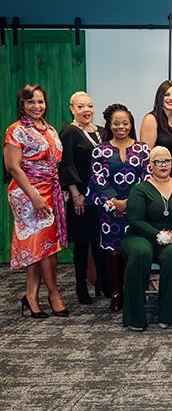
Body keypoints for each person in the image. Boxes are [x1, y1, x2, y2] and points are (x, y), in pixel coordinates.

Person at [5, 84, 68, 318]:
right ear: (22, 104)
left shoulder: (50, 129)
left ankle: (31, 295)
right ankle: (54, 294)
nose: (36, 106)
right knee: (42, 246)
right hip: (27, 193)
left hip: (50, 190)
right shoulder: (16, 130)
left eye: (40, 101)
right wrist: (34, 196)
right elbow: (12, 166)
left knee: (41, 247)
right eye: (31, 101)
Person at [121, 146, 172, 331]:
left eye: (167, 161)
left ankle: (167, 312)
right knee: (140, 253)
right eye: (158, 161)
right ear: (150, 165)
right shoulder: (140, 189)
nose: (163, 165)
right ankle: (135, 317)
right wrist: (161, 236)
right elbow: (135, 220)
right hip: (141, 236)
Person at [89, 104, 151, 312]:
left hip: (137, 209)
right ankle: (117, 292)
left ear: (131, 124)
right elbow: (98, 180)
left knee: (137, 248)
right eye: (116, 123)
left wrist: (129, 203)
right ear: (109, 124)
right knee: (113, 250)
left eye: (125, 123)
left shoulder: (142, 149)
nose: (121, 127)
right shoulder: (100, 150)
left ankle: (135, 290)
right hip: (109, 211)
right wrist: (114, 202)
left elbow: (146, 179)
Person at [59, 91, 109, 304]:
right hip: (80, 197)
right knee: (82, 244)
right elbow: (66, 164)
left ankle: (103, 283)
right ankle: (81, 287)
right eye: (80, 107)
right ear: (72, 109)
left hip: (100, 197)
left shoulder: (100, 131)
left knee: (100, 242)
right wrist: (75, 194)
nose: (86, 110)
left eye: (89, 106)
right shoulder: (69, 132)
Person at [139, 80, 172, 180]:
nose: (171, 98)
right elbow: (146, 156)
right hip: (159, 175)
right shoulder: (151, 119)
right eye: (167, 94)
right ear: (160, 97)